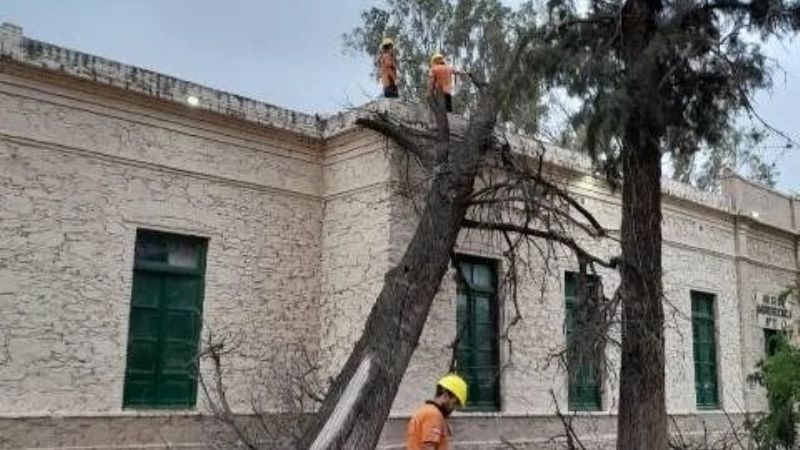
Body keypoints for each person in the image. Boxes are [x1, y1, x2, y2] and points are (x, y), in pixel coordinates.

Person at [406, 373, 468, 450]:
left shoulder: (428, 411)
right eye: (454, 403)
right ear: (445, 395)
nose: (454, 408)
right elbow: (428, 447)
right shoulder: (433, 415)